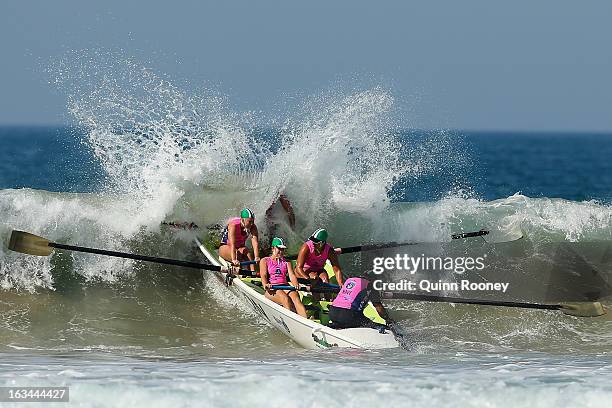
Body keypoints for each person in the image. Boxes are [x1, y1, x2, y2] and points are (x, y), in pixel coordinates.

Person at [260, 237, 307, 318]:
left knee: (296, 297)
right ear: (273, 248)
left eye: (282, 249)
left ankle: (306, 321)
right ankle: (290, 320)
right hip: (272, 288)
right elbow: (263, 275)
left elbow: (292, 275)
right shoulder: (265, 260)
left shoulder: (287, 262)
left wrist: (296, 285)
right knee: (284, 298)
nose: (281, 251)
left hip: (284, 285)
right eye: (279, 249)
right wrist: (265, 284)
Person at [328, 275, 393, 330]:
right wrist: (388, 320)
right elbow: (378, 307)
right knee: (374, 325)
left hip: (332, 312)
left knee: (357, 317)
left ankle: (337, 325)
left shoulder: (349, 280)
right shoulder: (370, 286)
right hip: (348, 315)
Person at [219, 208, 260, 273]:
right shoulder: (233, 225)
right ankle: (238, 272)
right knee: (238, 255)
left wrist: (257, 257)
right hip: (225, 247)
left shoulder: (253, 227)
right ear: (242, 220)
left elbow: (255, 242)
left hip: (239, 248)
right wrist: (234, 259)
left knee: (248, 253)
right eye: (249, 221)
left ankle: (253, 273)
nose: (251, 224)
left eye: (253, 221)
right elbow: (232, 244)